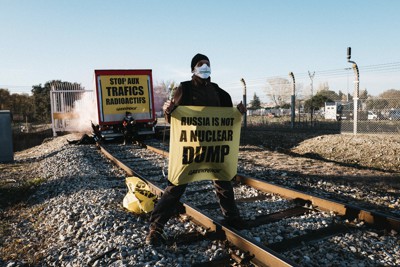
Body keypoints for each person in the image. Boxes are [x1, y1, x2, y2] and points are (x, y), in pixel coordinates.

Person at [146, 53, 247, 245]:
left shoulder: (219, 92)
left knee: (223, 181)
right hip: (191, 147)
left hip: (215, 147)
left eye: (208, 64)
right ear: (193, 68)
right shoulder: (184, 88)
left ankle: (233, 218)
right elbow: (173, 118)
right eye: (201, 64)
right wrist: (168, 111)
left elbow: (230, 116)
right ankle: (156, 227)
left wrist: (239, 112)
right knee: (177, 185)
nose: (205, 67)